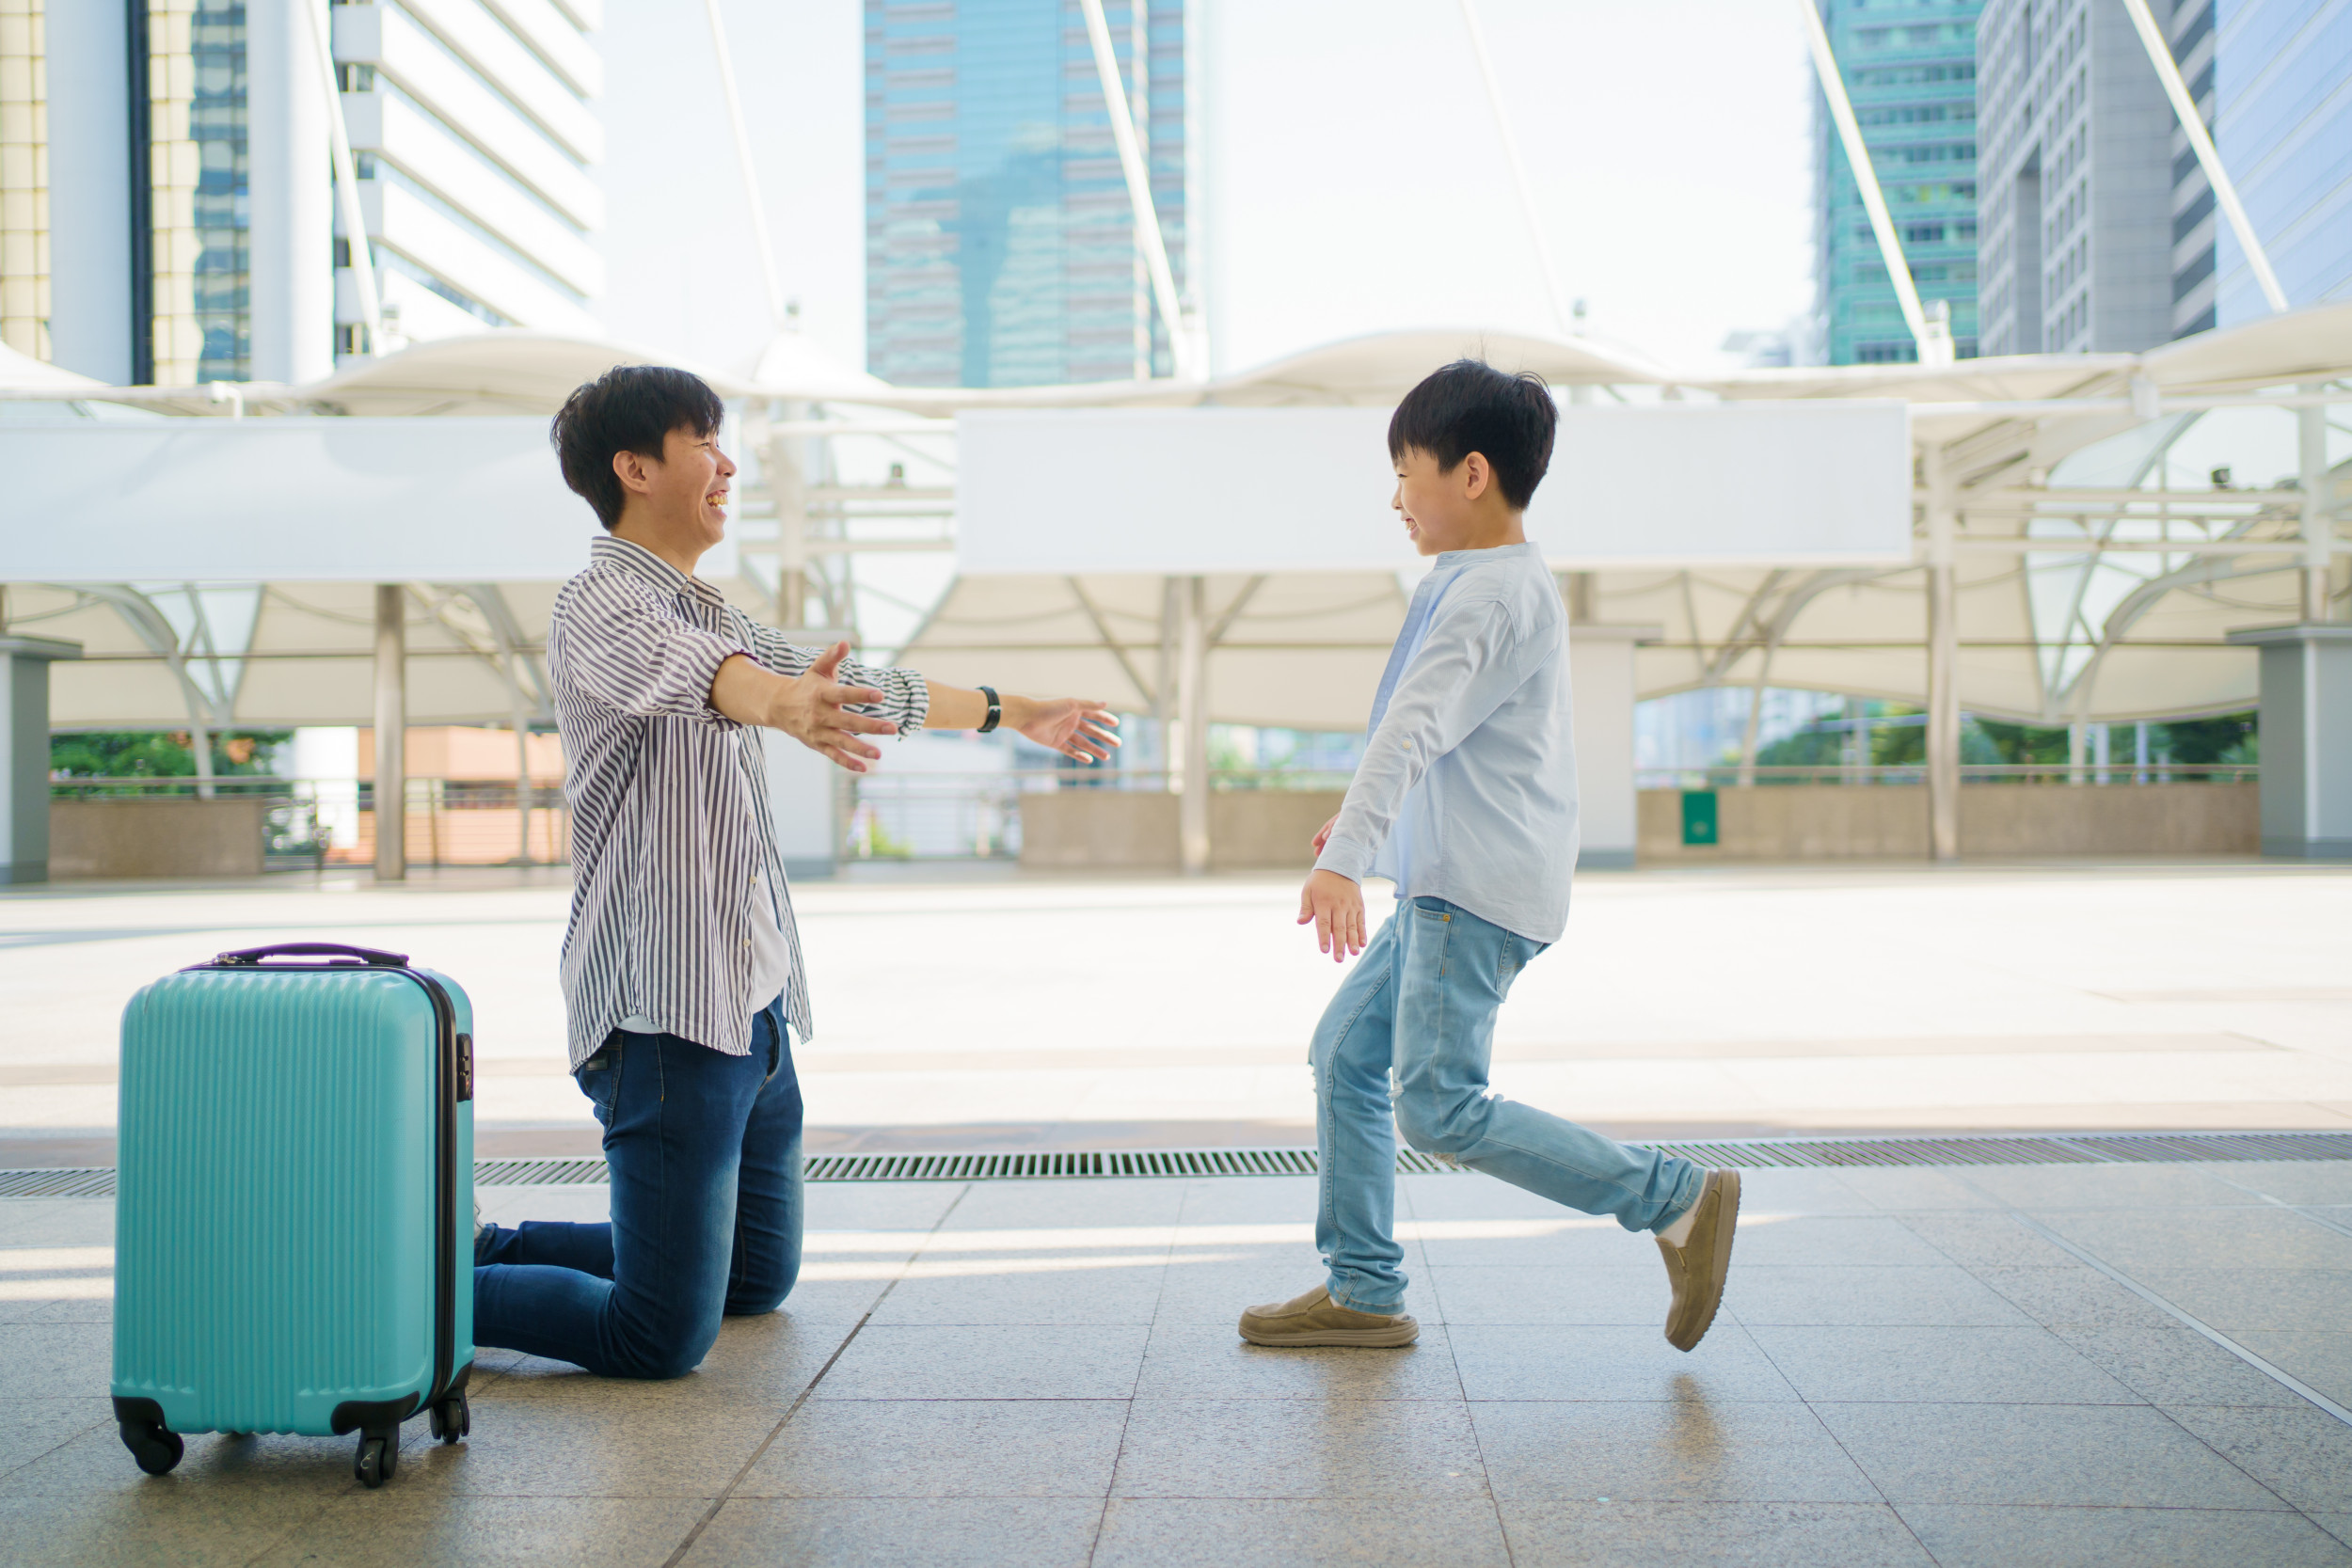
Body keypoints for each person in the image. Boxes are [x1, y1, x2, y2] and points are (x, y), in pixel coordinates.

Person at [472, 365, 1119, 1379]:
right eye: (704, 443)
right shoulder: (597, 604)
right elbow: (717, 685)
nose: (727, 463)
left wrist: (1013, 708)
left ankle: (491, 1250)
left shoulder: (712, 608)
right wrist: (780, 703)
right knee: (657, 1334)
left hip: (752, 1011)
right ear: (634, 467)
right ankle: (417, 1289)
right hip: (664, 1017)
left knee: (754, 1278)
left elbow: (856, 683)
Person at [1238, 359, 1738, 1352]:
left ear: (1471, 474)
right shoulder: (1478, 582)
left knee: (1437, 1104)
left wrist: (1347, 850)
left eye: (1405, 471)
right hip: (1450, 882)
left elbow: (1413, 726)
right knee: (1344, 1054)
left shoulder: (1485, 594)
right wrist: (1358, 831)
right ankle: (1366, 1286)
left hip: (1466, 895)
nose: (1394, 497)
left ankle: (1670, 1197)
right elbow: (1438, 736)